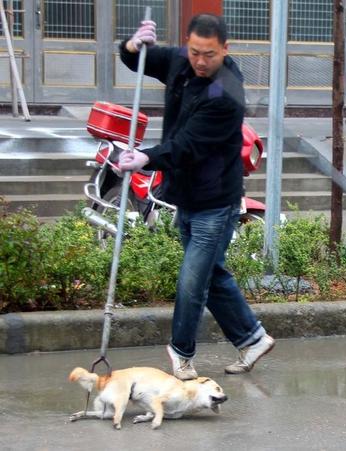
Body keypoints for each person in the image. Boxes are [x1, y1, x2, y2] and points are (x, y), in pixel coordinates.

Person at [118, 14, 274, 379]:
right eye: (194, 52)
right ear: (187, 44)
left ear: (225, 50)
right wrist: (133, 44)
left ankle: (181, 352)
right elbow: (135, 61)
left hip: (216, 201)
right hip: (185, 194)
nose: (200, 62)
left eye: (209, 54)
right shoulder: (180, 61)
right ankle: (253, 338)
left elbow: (188, 146)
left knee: (192, 281)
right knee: (211, 274)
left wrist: (146, 157)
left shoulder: (226, 92)